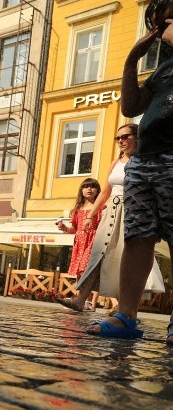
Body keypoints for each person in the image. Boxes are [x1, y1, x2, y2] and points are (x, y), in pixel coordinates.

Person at [87, 3, 173, 342]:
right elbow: (130, 106)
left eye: (169, 16)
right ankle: (126, 316)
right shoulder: (165, 66)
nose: (164, 23)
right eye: (160, 19)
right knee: (138, 237)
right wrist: (131, 61)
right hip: (145, 160)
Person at [57, 124, 165, 313]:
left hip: (133, 211)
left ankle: (124, 307)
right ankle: (80, 299)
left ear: (137, 137)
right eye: (118, 138)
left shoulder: (144, 160)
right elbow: (105, 191)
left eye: (125, 137)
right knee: (97, 255)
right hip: (111, 212)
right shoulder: (116, 163)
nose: (121, 141)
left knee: (126, 258)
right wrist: (91, 215)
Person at [56, 178, 102, 280]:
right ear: (81, 190)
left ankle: (86, 294)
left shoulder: (100, 208)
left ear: (98, 191)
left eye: (93, 186)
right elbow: (74, 229)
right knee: (79, 271)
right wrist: (64, 228)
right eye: (86, 186)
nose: (89, 189)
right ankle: (79, 294)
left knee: (86, 268)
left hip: (93, 241)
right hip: (79, 243)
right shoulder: (77, 209)